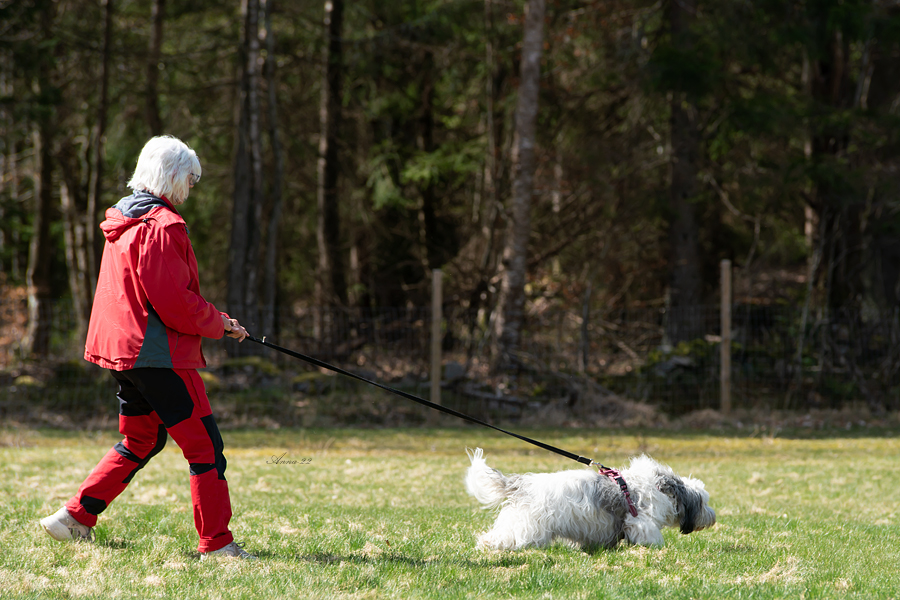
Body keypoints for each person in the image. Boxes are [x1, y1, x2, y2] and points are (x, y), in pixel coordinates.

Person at [39, 135, 256, 560]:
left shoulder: (124, 222)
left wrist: (214, 321)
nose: (192, 188)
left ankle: (74, 518)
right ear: (174, 176)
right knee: (205, 448)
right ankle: (217, 544)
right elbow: (174, 303)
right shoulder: (161, 226)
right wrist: (221, 324)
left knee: (141, 439)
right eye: (191, 179)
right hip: (158, 356)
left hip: (124, 352)